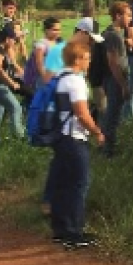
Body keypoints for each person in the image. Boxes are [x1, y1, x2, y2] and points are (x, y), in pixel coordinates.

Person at [39, 19, 103, 216]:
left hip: (65, 118)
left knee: (61, 165)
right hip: (65, 120)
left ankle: (55, 209)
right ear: (82, 32)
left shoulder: (69, 52)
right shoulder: (62, 51)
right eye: (90, 38)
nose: (91, 44)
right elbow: (48, 79)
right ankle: (63, 215)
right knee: (73, 175)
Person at [49, 40, 106, 249]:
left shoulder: (60, 76)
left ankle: (61, 229)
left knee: (63, 183)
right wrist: (97, 131)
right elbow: (82, 113)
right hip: (74, 137)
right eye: (87, 57)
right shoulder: (76, 81)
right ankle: (74, 232)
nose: (89, 61)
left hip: (61, 135)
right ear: (78, 59)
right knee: (79, 183)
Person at [101, 2, 133, 157]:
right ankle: (108, 150)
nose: (130, 18)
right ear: (117, 16)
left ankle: (107, 145)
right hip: (114, 79)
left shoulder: (114, 33)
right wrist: (123, 85)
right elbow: (113, 62)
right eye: (127, 15)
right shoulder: (113, 35)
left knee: (113, 113)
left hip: (114, 78)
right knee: (112, 115)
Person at [27, 17, 62, 91]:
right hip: (45, 80)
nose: (58, 32)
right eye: (55, 30)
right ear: (47, 30)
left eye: (59, 29)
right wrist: (46, 80)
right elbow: (39, 63)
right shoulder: (42, 44)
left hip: (56, 78)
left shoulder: (58, 42)